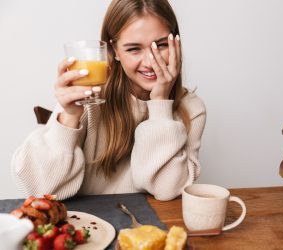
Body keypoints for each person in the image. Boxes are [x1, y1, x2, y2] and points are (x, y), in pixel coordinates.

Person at [11, 0, 206, 201]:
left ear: (177, 44)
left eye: (162, 45)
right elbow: (43, 188)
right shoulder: (88, 94)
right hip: (88, 225)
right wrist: (69, 118)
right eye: (133, 49)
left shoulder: (191, 108)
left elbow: (166, 191)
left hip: (148, 227)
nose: (150, 62)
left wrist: (160, 104)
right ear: (114, 51)